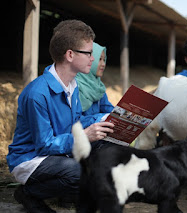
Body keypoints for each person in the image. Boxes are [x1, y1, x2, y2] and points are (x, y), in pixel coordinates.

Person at [6, 20, 115, 213]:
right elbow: (44, 144)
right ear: (70, 55)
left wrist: (105, 119)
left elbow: (75, 122)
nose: (92, 58)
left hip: (58, 150)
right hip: (31, 158)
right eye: (88, 53)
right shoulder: (37, 94)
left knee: (109, 147)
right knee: (80, 172)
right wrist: (84, 135)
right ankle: (29, 193)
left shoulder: (73, 86)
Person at [76, 42, 114, 116]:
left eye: (104, 59)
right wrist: (100, 118)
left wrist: (122, 116)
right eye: (99, 59)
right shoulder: (75, 85)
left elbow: (106, 107)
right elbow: (75, 120)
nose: (103, 64)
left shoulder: (98, 86)